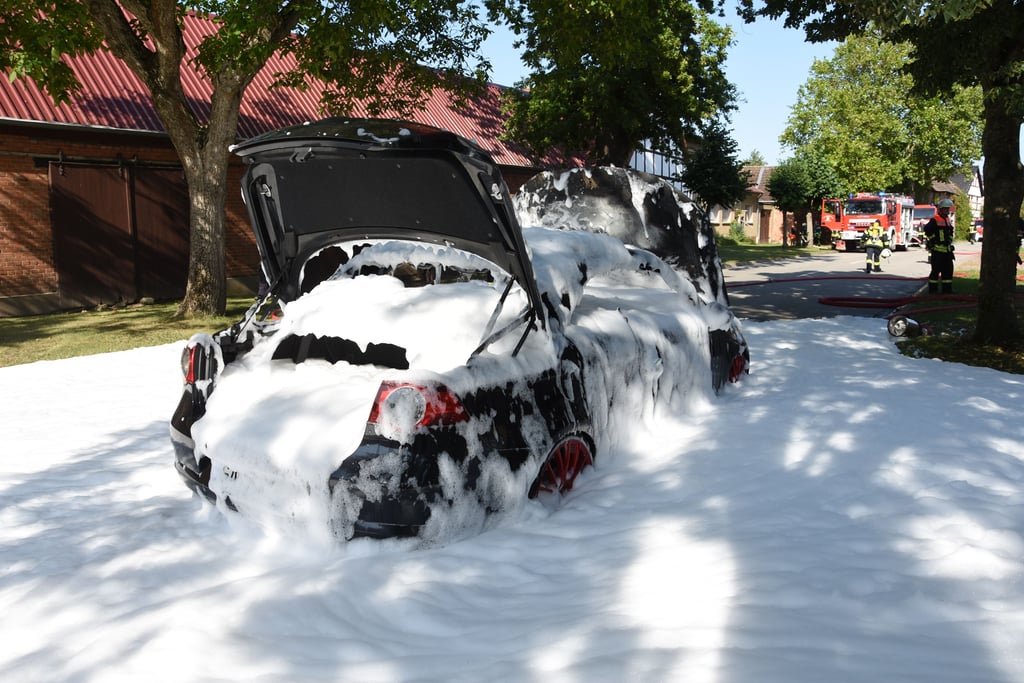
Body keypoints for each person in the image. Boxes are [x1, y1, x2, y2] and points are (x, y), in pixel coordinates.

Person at [924, 197, 955, 293]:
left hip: (947, 251)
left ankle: (947, 290)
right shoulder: (935, 219)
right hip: (937, 252)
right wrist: (934, 240)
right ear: (941, 209)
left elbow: (950, 231)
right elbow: (927, 230)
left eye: (948, 208)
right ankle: (933, 291)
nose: (947, 210)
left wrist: (949, 240)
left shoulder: (947, 219)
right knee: (935, 272)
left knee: (948, 271)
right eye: (945, 208)